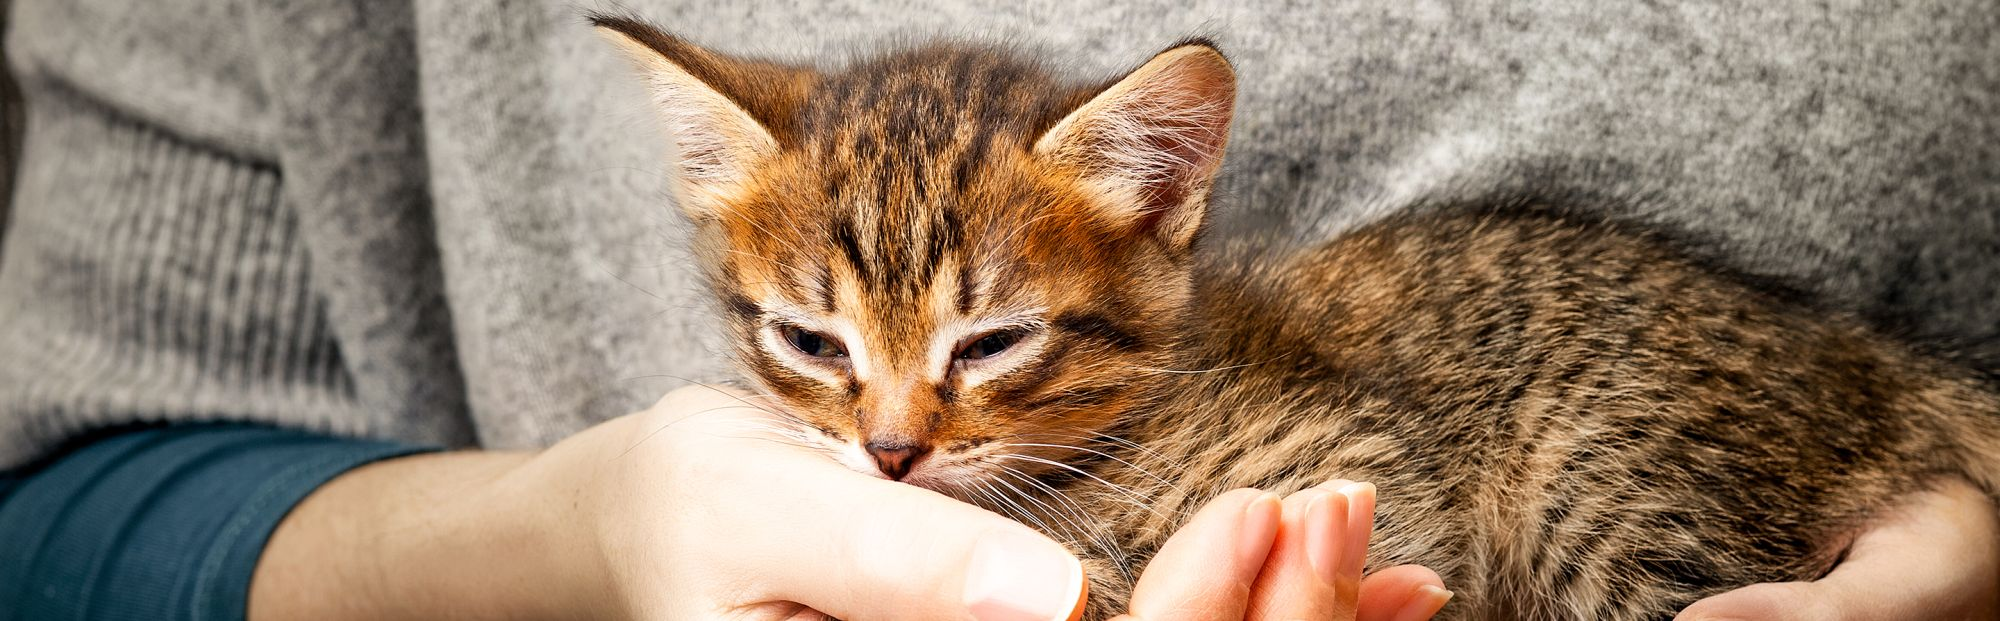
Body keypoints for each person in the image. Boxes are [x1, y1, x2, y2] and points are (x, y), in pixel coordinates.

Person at [0, 1, 1995, 620]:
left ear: (1153, 213)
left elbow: (1398, 491)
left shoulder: (1182, 370)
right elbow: (70, 510)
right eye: (807, 352)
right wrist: (579, 536)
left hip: (1610, 410)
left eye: (978, 357)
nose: (885, 440)